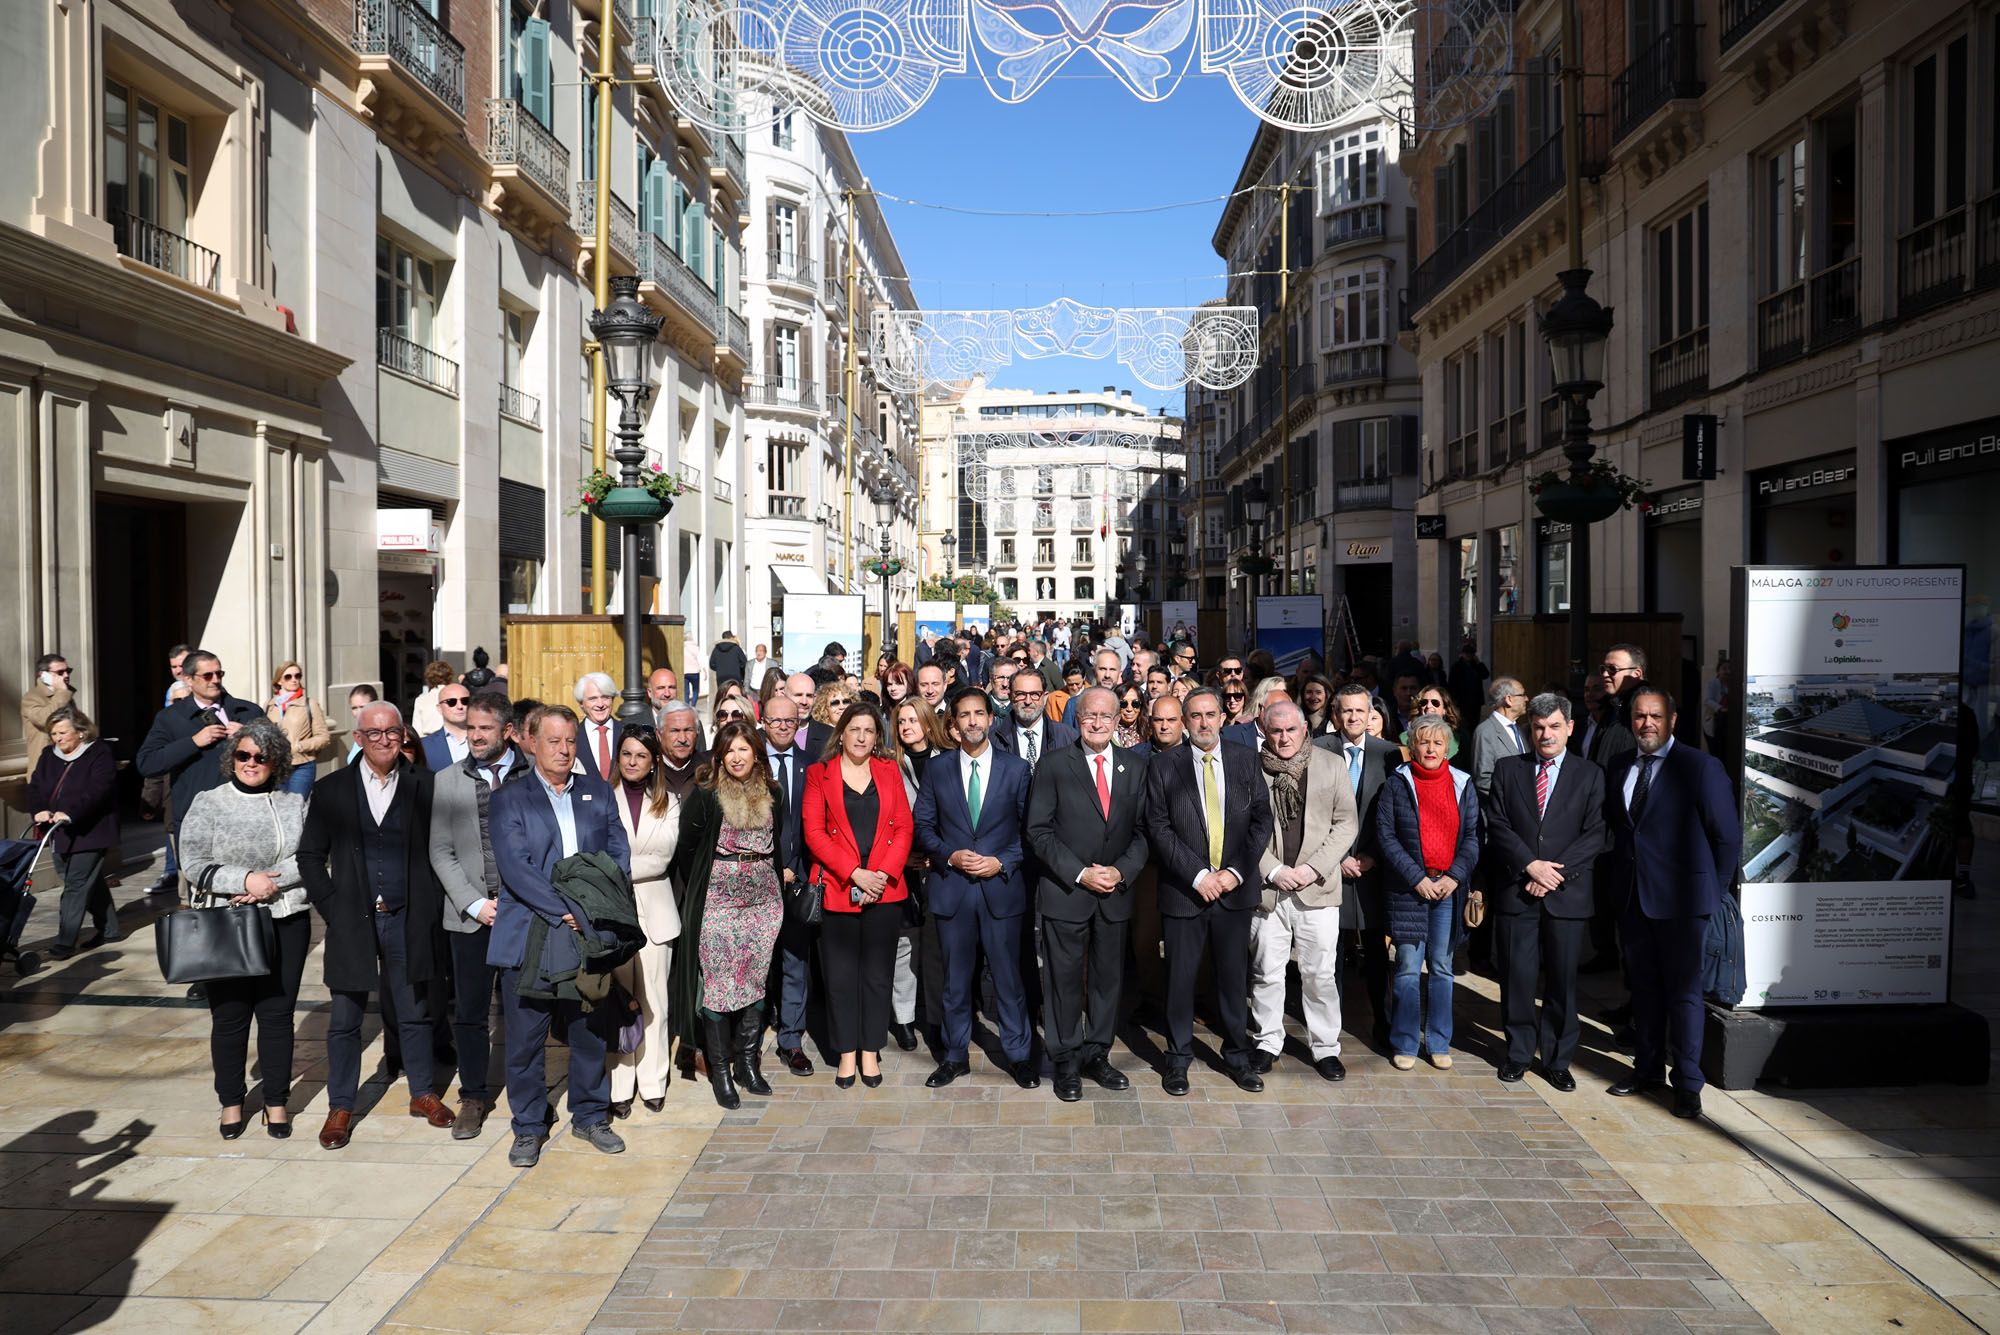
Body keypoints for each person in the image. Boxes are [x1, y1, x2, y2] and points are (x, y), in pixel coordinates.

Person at [299, 702, 453, 1149]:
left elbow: (444, 850)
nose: (384, 740)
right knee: (345, 1019)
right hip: (353, 921)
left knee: (415, 1012)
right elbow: (310, 857)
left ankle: (423, 1093)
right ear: (359, 738)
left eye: (392, 732)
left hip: (409, 918)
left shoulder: (427, 785)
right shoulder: (332, 791)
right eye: (374, 733)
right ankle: (341, 1105)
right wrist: (332, 906)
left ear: (403, 735)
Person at [487, 705, 631, 1166]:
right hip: (531, 931)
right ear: (532, 743)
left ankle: (591, 1115)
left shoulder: (596, 791)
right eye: (554, 741)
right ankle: (528, 1126)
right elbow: (517, 870)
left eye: (570, 740)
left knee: (589, 1027)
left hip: (587, 933)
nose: (564, 750)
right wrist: (568, 910)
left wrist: (593, 909)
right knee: (527, 1037)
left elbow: (616, 853)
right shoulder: (511, 797)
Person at [1603, 686, 1741, 1120]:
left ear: (1673, 720)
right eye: (1640, 716)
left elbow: (1728, 837)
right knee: (1644, 992)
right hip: (1633, 899)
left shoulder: (1699, 767)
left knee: (1684, 995)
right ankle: (1646, 1072)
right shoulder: (1620, 765)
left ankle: (1687, 1083)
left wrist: (1711, 893)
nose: (1647, 724)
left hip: (1684, 905)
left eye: (1656, 716)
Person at [177, 718, 310, 1139]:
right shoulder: (209, 802)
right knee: (230, 1015)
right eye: (243, 755)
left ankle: (275, 1102)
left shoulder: (292, 803)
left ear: (277, 762)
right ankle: (231, 1102)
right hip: (228, 921)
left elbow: (309, 855)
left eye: (261, 757)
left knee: (276, 1015)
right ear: (231, 758)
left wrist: (267, 881)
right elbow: (193, 862)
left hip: (285, 917)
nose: (251, 763)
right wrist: (243, 881)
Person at [1142, 687, 1273, 1095]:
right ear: (1184, 721)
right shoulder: (1165, 766)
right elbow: (1159, 828)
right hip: (1185, 891)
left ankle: (1237, 1056)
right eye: (1194, 715)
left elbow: (1260, 822)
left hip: (1234, 891)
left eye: (1210, 714)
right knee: (1180, 980)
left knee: (1232, 980)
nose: (1203, 722)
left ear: (1221, 717)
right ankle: (1178, 1059)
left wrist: (1234, 872)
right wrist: (1199, 876)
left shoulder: (1245, 760)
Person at [1025, 687, 1148, 1101]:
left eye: (1106, 716)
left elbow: (1144, 832)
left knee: (1107, 980)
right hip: (1067, 892)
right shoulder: (1055, 764)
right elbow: (1038, 831)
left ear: (1118, 721)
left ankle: (1098, 1053)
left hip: (1114, 894)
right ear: (1078, 719)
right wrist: (1080, 873)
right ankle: (1065, 1060)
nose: (1097, 723)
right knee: (1062, 981)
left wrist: (1119, 871)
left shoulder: (1134, 766)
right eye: (1089, 716)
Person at [912, 688, 1036, 1089]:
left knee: (1008, 980)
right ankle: (954, 1055)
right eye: (963, 715)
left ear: (990, 718)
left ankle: (1019, 1055)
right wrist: (950, 856)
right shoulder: (938, 769)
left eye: (979, 714)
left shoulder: (1016, 770)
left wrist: (1002, 861)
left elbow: (1029, 832)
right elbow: (923, 826)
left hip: (1001, 889)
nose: (972, 722)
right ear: (953, 723)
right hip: (954, 890)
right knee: (955, 981)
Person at [1484, 693, 1606, 1092]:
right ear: (1529, 729)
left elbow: (1595, 834)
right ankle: (1518, 1053)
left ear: (1570, 728)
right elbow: (1498, 825)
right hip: (1518, 892)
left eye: (1554, 726)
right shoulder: (1508, 769)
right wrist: (1529, 865)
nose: (1546, 734)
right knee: (1517, 978)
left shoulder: (1590, 774)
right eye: (1538, 727)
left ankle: (1557, 1060)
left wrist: (1554, 874)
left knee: (1562, 983)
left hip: (1566, 896)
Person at [426, 692, 531, 1139]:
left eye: (485, 728)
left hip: (523, 911)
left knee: (524, 1008)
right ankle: (473, 1096)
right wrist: (474, 903)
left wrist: (518, 899)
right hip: (470, 916)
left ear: (507, 731)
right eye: (471, 728)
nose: (475, 736)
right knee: (469, 1012)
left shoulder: (531, 773)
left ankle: (528, 1095)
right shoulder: (447, 780)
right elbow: (440, 850)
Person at [670, 720, 785, 1109]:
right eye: (729, 750)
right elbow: (688, 849)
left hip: (764, 900)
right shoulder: (706, 795)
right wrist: (714, 880)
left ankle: (747, 1065)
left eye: (743, 749)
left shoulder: (773, 792)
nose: (737, 757)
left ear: (756, 752)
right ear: (719, 755)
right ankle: (721, 1070)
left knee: (754, 983)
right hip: (719, 901)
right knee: (719, 988)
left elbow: (777, 842)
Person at [802, 703, 913, 1090]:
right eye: (855, 729)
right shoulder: (820, 774)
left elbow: (903, 828)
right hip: (837, 887)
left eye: (869, 730)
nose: (862, 736)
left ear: (877, 737)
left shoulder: (889, 771)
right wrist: (855, 874)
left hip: (884, 889)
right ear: (842, 733)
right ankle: (846, 1052)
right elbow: (814, 833)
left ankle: (870, 1049)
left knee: (878, 977)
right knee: (841, 977)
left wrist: (880, 875)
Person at [1248, 701, 1359, 1081]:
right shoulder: (1250, 768)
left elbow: (1346, 823)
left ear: (1304, 730)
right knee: (1267, 971)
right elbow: (1240, 827)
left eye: (1290, 730)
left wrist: (1313, 868)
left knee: (1319, 974)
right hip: (1269, 890)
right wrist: (1274, 870)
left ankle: (1326, 1047)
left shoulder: (1331, 765)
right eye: (1275, 731)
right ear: (1265, 731)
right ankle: (1267, 1041)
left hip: (1318, 888)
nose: (1283, 738)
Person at [1375, 714, 1480, 1071]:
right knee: (1405, 967)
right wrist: (1416, 877)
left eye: (1438, 742)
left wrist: (1454, 876)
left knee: (1441, 966)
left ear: (1448, 747)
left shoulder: (1463, 783)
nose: (1431, 748)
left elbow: (1472, 837)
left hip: (1448, 889)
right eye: (1424, 741)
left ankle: (1438, 1042)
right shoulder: (1396, 784)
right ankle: (1404, 1042)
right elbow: (1386, 836)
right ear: (1412, 746)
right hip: (1409, 889)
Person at [137, 649, 266, 902]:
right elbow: (147, 763)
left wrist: (250, 735)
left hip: (248, 819)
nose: (215, 680)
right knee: (202, 897)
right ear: (188, 679)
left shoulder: (248, 711)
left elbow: (279, 755)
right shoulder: (170, 718)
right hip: (199, 821)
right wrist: (193, 742)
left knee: (249, 893)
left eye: (219, 673)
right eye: (207, 675)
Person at [1315, 683, 1401, 1052]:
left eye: (1360, 711)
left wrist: (1374, 856)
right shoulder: (1318, 750)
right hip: (1329, 867)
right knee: (1327, 954)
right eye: (1346, 711)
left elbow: (1398, 815)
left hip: (1372, 869)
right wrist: (1336, 857)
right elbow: (1313, 815)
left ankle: (1382, 1024)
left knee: (1377, 956)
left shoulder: (1389, 755)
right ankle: (1328, 1029)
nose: (1353, 717)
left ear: (1371, 716)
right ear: (1336, 716)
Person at [607, 725, 682, 1118]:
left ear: (654, 762)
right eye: (627, 754)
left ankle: (653, 1082)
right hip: (614, 914)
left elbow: (663, 857)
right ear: (618, 758)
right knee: (618, 1001)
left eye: (641, 755)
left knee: (654, 1001)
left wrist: (616, 866)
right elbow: (596, 851)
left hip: (656, 912)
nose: (633, 761)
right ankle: (620, 1086)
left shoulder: (669, 802)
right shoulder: (603, 798)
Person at [25, 707, 120, 958]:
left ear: (80, 731)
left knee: (77, 884)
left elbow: (98, 791)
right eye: (53, 733)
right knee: (87, 880)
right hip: (59, 831)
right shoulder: (48, 755)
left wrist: (70, 812)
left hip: (92, 830)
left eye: (63, 732)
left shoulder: (99, 753)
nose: (58, 738)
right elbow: (35, 786)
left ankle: (65, 941)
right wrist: (39, 809)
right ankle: (110, 929)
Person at [761, 693, 816, 1075]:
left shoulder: (810, 766)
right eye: (775, 720)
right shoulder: (750, 763)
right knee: (758, 961)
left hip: (798, 879)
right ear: (762, 721)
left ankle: (791, 1039)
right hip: (757, 878)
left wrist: (797, 869)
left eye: (790, 721)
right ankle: (750, 1034)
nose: (782, 727)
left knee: (796, 959)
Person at [267, 662, 332, 795]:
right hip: (276, 766)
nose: (294, 679)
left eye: (297, 676)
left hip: (302, 765)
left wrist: (300, 746)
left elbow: (324, 737)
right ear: (279, 681)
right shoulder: (270, 705)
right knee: (279, 808)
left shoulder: (309, 703)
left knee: (297, 808)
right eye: (288, 677)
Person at [992, 670, 1076, 772]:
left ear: (1045, 697)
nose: (1028, 701)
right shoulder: (994, 740)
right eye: (1020, 694)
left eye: (1035, 694)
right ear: (1010, 696)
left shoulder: (1068, 737)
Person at [1471, 678, 1530, 800]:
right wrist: (1513, 801)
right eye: (1522, 695)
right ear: (1509, 699)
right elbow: (1483, 780)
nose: (1526, 699)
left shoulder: (1518, 729)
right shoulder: (1485, 731)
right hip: (1502, 812)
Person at [21, 652, 74, 775]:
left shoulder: (65, 695)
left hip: (66, 766)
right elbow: (45, 719)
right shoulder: (31, 697)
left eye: (68, 671)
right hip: (45, 771)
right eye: (60, 672)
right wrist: (61, 692)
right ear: (43, 675)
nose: (66, 675)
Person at [573, 671, 622, 781]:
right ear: (581, 703)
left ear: (613, 699)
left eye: (605, 697)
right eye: (593, 699)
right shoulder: (572, 736)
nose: (600, 704)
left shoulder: (627, 733)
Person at [419, 679, 473, 771]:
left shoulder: (485, 738)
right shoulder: (424, 746)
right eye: (451, 702)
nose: (460, 706)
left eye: (465, 701)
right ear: (439, 708)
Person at [1447, 640, 1491, 728]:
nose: (1468, 655)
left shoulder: (1476, 665)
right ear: (1462, 654)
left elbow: (1485, 675)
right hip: (1462, 700)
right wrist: (1453, 699)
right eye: (1466, 653)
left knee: (1474, 722)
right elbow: (1451, 683)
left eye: (1471, 653)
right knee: (1463, 723)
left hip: (1475, 700)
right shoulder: (1457, 666)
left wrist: (1479, 663)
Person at [410, 660, 457, 738]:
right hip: (450, 739)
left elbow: (416, 729)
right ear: (449, 677)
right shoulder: (455, 698)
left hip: (427, 740)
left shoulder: (421, 700)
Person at [344, 684, 380, 764]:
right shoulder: (361, 731)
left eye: (362, 707)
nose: (359, 712)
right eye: (354, 708)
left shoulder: (380, 733)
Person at [709, 631, 749, 696]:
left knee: (723, 695)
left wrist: (720, 668)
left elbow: (711, 664)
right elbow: (744, 663)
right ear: (731, 637)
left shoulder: (716, 649)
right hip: (735, 677)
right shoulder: (736, 648)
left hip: (721, 677)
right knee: (735, 696)